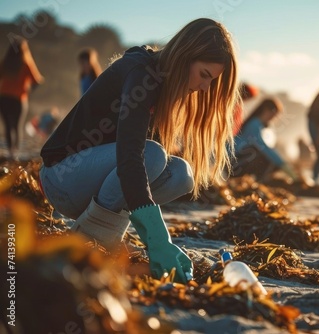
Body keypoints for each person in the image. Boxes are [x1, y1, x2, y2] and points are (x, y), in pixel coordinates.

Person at [39, 18, 239, 283]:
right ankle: (88, 239)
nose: (205, 88)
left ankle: (103, 234)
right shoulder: (141, 74)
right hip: (61, 177)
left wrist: (158, 240)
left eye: (211, 82)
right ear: (185, 56)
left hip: (90, 185)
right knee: (153, 155)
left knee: (181, 174)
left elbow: (136, 169)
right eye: (204, 75)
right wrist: (158, 239)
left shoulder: (163, 87)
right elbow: (131, 157)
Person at [232, 97, 297, 182]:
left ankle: (258, 181)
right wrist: (283, 164)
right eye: (273, 115)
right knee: (265, 157)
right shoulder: (254, 124)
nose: (273, 119)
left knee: (270, 160)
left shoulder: (259, 125)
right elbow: (263, 147)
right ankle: (258, 182)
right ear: (266, 110)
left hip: (240, 161)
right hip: (234, 164)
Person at [0, 37, 44, 159]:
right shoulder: (26, 63)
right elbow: (37, 80)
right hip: (19, 99)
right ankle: (15, 153)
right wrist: (29, 90)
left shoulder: (5, 63)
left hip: (3, 98)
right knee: (17, 125)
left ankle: (10, 151)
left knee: (8, 126)